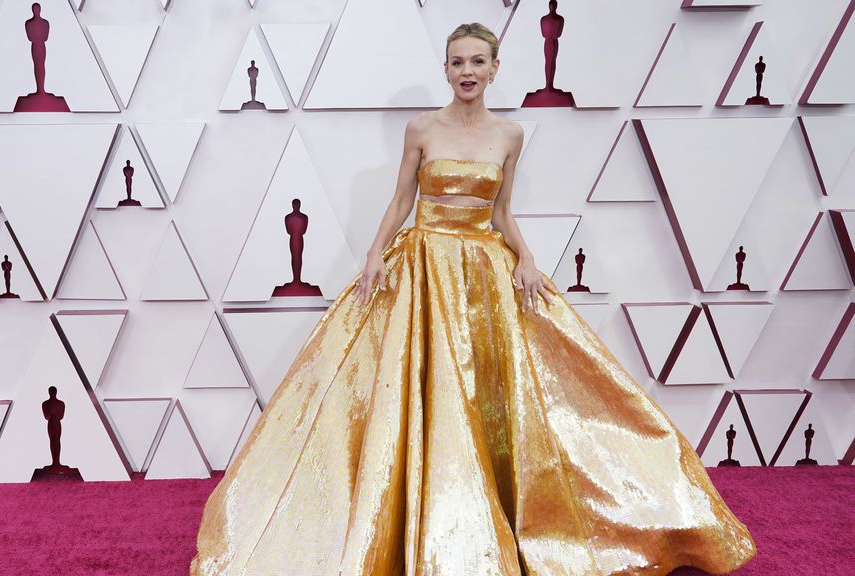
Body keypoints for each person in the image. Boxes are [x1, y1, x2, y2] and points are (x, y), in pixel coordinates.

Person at [190, 22, 757, 576]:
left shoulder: (511, 135)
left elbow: (503, 212)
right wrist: (373, 256)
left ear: (494, 69)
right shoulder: (420, 128)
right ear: (445, 69)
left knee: (502, 383)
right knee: (407, 384)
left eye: (477, 62)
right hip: (423, 263)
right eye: (458, 62)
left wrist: (529, 261)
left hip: (484, 270)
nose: (467, 71)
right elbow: (401, 201)